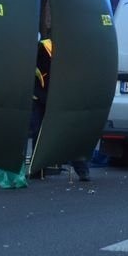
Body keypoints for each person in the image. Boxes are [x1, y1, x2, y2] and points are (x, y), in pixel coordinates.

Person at [31, 36, 91, 181]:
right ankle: (38, 169)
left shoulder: (61, 49)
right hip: (42, 96)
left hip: (57, 96)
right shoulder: (42, 48)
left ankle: (81, 168)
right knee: (39, 132)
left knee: (65, 131)